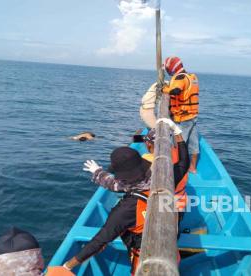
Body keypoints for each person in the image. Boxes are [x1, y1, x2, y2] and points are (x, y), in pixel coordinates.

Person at [61, 119, 188, 275]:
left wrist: (68, 265)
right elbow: (184, 162)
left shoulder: (125, 211)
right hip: (171, 255)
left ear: (121, 177)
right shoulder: (166, 179)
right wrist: (178, 133)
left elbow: (99, 241)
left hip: (147, 265)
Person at [162, 56, 200, 173]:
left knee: (179, 144)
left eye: (167, 68)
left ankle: (178, 170)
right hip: (192, 117)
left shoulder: (179, 78)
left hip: (183, 119)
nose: (167, 71)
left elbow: (176, 90)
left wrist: (164, 90)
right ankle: (192, 168)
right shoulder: (191, 77)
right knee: (193, 144)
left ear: (172, 68)